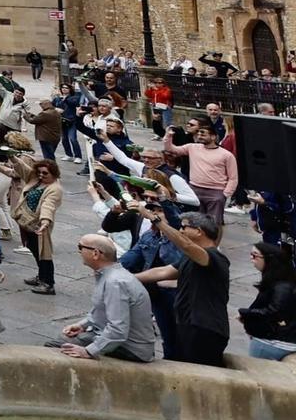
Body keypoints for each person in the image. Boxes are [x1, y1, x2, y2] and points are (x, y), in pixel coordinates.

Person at [131, 209, 229, 365]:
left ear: (199, 231)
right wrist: (127, 278)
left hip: (204, 328)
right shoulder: (190, 258)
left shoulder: (213, 257)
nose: (181, 230)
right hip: (188, 324)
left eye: (184, 227)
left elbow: (187, 246)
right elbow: (163, 271)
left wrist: (157, 221)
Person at [52, 234, 157, 362]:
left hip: (131, 349)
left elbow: (118, 330)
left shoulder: (115, 282)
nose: (79, 251)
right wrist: (83, 325)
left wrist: (88, 351)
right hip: (118, 339)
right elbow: (103, 311)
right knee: (62, 340)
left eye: (81, 247)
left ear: (95, 253)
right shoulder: (110, 275)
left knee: (57, 347)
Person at [12, 155, 63, 295]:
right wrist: (12, 157)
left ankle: (48, 283)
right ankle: (41, 277)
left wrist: (45, 221)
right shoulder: (35, 179)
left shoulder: (55, 189)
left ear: (54, 173)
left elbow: (49, 205)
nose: (41, 175)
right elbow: (23, 169)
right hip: (26, 221)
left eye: (45, 173)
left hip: (39, 225)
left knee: (44, 254)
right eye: (39, 172)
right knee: (34, 249)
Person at [239, 241, 296, 361]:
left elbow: (275, 311)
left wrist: (246, 313)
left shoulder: (282, 286)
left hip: (273, 342)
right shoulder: (277, 282)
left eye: (255, 255)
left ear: (269, 260)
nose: (251, 258)